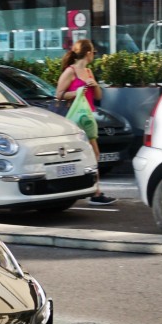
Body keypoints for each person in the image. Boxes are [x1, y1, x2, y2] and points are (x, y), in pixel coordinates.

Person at [55, 39, 117, 206]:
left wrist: (94, 85)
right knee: (86, 154)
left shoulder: (89, 72)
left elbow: (98, 97)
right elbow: (58, 94)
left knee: (93, 154)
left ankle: (92, 190)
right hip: (74, 118)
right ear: (88, 53)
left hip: (87, 116)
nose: (93, 56)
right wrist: (76, 92)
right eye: (93, 53)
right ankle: (91, 191)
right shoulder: (70, 71)